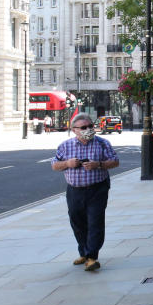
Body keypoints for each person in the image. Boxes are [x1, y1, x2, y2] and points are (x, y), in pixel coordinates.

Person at [51, 113, 119, 272]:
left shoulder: (102, 143)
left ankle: (91, 257)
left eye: (90, 126)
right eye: (83, 127)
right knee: (77, 222)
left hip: (97, 188)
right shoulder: (65, 146)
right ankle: (84, 252)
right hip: (74, 191)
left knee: (95, 221)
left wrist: (99, 164)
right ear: (74, 130)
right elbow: (54, 165)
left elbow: (115, 161)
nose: (88, 129)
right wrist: (67, 163)